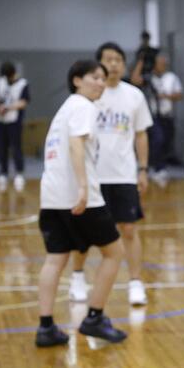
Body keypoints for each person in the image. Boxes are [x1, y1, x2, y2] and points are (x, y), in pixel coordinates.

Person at [35, 60, 127, 347]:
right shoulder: (83, 107)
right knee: (114, 253)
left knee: (55, 259)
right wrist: (84, 187)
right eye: (94, 77)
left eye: (103, 78)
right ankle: (94, 318)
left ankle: (46, 327)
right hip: (78, 196)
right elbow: (76, 145)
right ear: (77, 80)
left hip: (51, 196)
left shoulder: (64, 110)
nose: (101, 82)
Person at [69, 42, 153, 306]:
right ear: (99, 64)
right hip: (93, 176)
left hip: (124, 175)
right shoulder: (89, 97)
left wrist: (142, 168)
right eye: (108, 59)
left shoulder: (134, 96)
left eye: (118, 59)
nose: (114, 64)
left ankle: (136, 283)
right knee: (83, 232)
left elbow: (141, 134)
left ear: (124, 64)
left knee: (128, 228)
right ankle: (78, 278)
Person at [0, 62, 30, 193]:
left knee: (16, 147)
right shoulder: (0, 82)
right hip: (0, 120)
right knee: (1, 147)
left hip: (14, 121)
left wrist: (9, 107)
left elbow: (24, 102)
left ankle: (19, 173)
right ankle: (3, 173)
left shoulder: (23, 84)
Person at [150, 53, 183, 184]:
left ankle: (161, 166)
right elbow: (136, 80)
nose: (162, 66)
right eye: (159, 63)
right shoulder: (150, 78)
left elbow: (180, 95)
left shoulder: (171, 77)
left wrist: (165, 96)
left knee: (166, 142)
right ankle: (157, 167)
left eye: (164, 63)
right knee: (158, 139)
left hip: (167, 114)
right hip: (153, 115)